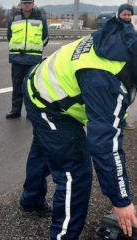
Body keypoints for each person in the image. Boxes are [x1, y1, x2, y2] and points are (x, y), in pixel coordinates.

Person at [20, 10, 137, 240]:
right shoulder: (106, 76)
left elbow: (113, 117)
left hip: (45, 83)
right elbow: (105, 143)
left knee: (46, 147)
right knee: (76, 172)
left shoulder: (123, 42)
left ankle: (31, 199)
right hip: (47, 100)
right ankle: (64, 236)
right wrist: (121, 200)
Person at [6, 0, 49, 119]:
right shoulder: (14, 18)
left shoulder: (40, 18)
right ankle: (15, 111)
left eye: (29, 3)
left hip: (33, 59)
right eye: (25, 3)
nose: (27, 5)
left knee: (32, 88)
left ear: (33, 3)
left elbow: (45, 38)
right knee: (17, 86)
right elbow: (10, 36)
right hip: (17, 59)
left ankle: (31, 113)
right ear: (21, 4)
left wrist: (36, 49)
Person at [117, 4, 136, 130]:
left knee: (129, 96)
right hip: (119, 68)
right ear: (118, 14)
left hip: (129, 67)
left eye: (129, 14)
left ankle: (122, 120)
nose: (127, 17)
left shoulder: (130, 28)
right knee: (121, 96)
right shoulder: (116, 28)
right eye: (124, 14)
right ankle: (118, 121)